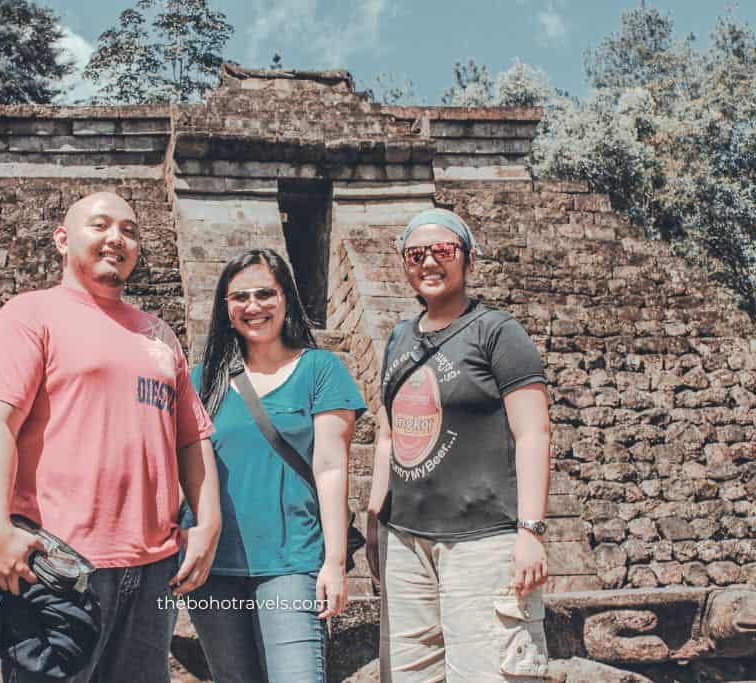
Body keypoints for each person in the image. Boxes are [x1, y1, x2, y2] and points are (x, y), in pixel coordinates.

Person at [0, 191, 222, 683]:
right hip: (59, 564)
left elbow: (192, 439)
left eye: (129, 230)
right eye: (100, 225)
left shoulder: (158, 335)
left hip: (153, 570)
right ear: (63, 240)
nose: (116, 239)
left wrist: (208, 524)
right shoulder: (30, 315)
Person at [365, 208, 551, 682]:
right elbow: (389, 434)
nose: (429, 261)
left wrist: (530, 531)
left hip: (483, 539)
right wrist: (374, 520)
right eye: (416, 253)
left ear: (468, 259)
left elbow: (533, 434)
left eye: (443, 250)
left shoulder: (498, 332)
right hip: (405, 540)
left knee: (489, 672)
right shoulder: (398, 338)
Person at [181, 248, 366, 683]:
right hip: (213, 569)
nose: (253, 306)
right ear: (226, 309)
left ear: (286, 299)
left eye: (266, 293)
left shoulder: (320, 369)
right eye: (239, 297)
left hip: (290, 563)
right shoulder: (200, 380)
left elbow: (330, 468)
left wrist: (335, 563)